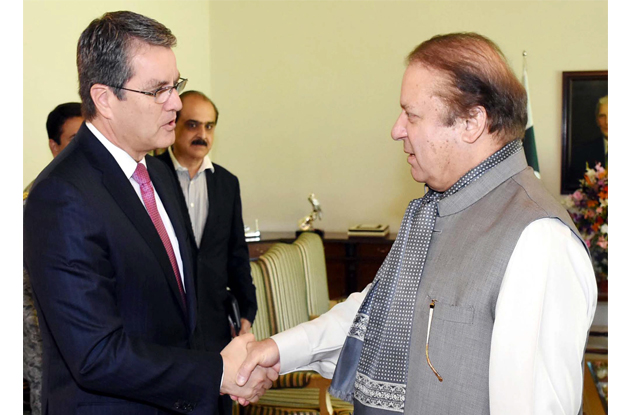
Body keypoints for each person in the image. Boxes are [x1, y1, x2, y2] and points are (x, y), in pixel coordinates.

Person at [235, 32, 597, 415]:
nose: (396, 130)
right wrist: (275, 351)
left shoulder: (538, 239)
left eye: (412, 114)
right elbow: (376, 316)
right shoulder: (435, 211)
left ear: (472, 122)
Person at [23, 11, 275, 415]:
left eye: (175, 86)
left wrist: (231, 365)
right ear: (105, 99)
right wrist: (214, 372)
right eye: (157, 90)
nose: (175, 103)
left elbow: (178, 310)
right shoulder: (61, 196)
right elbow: (95, 354)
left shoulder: (156, 172)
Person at [157, 90, 258, 415]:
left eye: (209, 126)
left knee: (215, 405)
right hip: (167, 326)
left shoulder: (227, 183)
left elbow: (236, 254)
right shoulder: (150, 176)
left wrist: (247, 310)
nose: (202, 135)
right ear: (174, 125)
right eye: (192, 125)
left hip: (216, 325)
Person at [24, 103, 84, 415]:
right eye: (75, 139)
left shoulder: (96, 193)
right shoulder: (36, 199)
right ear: (54, 146)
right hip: (42, 336)